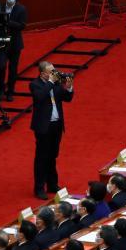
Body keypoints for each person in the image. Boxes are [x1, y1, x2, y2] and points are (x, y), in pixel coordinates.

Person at [29, 61, 74, 199]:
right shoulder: (35, 84)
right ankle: (39, 188)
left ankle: (52, 184)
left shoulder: (55, 83)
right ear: (43, 74)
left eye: (54, 70)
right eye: (51, 71)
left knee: (53, 155)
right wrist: (50, 82)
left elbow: (67, 98)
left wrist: (68, 87)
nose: (55, 73)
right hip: (43, 127)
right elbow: (40, 97)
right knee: (42, 157)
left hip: (57, 125)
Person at [0, 0, 27, 101]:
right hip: (1, 43)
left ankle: (10, 92)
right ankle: (0, 89)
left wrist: (7, 22)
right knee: (1, 66)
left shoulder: (21, 9)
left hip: (15, 44)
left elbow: (22, 25)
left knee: (13, 69)